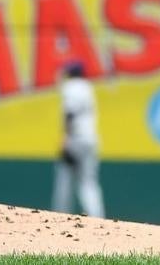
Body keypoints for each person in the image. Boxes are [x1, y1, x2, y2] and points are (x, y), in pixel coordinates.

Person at [51, 62, 105, 218]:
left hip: (75, 139)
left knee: (64, 178)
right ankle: (98, 218)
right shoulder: (88, 87)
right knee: (89, 182)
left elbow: (70, 113)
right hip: (91, 139)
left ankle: (59, 216)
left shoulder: (71, 86)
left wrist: (65, 137)